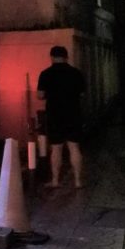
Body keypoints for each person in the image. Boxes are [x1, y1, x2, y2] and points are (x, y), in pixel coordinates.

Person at [36, 45, 85, 188]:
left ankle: (56, 181)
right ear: (66, 57)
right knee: (74, 147)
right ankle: (77, 181)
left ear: (51, 57)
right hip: (73, 114)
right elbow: (82, 94)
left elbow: (40, 95)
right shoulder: (76, 73)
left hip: (55, 114)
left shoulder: (45, 74)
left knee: (56, 148)